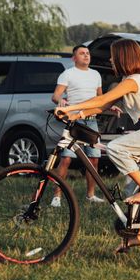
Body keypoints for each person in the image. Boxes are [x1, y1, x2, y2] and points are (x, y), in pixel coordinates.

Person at [55, 39, 140, 251]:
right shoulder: (125, 82)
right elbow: (103, 104)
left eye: (114, 56)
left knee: (116, 148)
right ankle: (137, 235)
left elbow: (99, 99)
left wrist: (70, 107)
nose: (111, 60)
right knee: (132, 185)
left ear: (123, 58)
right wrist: (78, 114)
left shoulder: (133, 80)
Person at [50, 45, 105, 207]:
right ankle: (57, 197)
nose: (86, 56)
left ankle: (91, 195)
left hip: (92, 121)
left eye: (88, 53)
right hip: (74, 122)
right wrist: (60, 100)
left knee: (93, 159)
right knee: (66, 159)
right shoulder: (68, 74)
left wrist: (110, 106)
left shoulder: (96, 75)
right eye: (82, 54)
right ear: (74, 58)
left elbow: (100, 98)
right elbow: (55, 95)